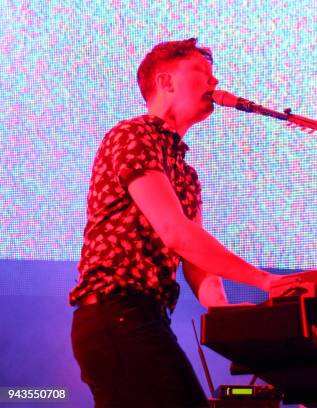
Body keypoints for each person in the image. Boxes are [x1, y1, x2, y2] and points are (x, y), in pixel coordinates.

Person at [69, 38, 280, 407]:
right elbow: (176, 234)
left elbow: (197, 265)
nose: (214, 83)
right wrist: (263, 280)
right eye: (202, 72)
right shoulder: (133, 135)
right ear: (166, 82)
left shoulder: (186, 173)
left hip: (142, 316)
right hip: (115, 312)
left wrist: (230, 314)